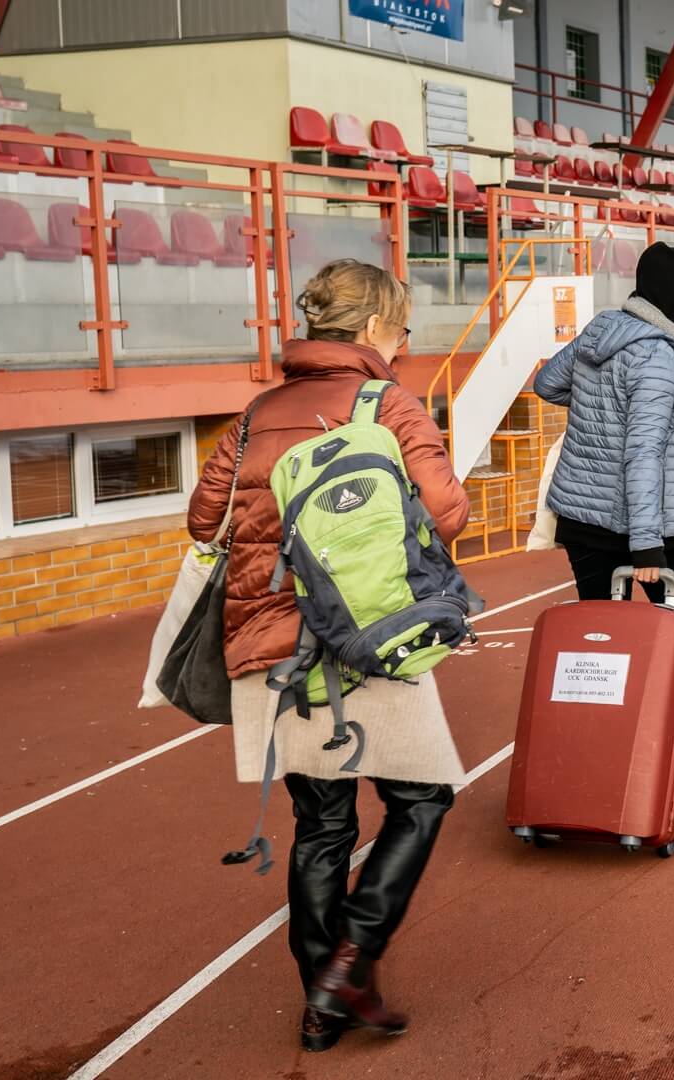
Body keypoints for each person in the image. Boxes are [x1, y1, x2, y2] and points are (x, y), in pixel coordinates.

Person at [188, 259, 471, 1053]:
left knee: (321, 826)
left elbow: (204, 523)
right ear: (375, 327)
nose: (404, 342)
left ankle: (321, 1004)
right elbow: (447, 513)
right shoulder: (387, 404)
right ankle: (352, 957)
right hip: (368, 636)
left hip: (272, 646)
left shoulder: (254, 415)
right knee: (422, 799)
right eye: (402, 328)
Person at [535, 242, 674, 777]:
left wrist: (599, 409)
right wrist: (647, 546)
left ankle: (602, 746)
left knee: (599, 642)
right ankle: (667, 746)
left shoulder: (602, 330)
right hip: (647, 526)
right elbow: (644, 454)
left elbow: (547, 383)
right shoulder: (658, 356)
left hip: (582, 519)